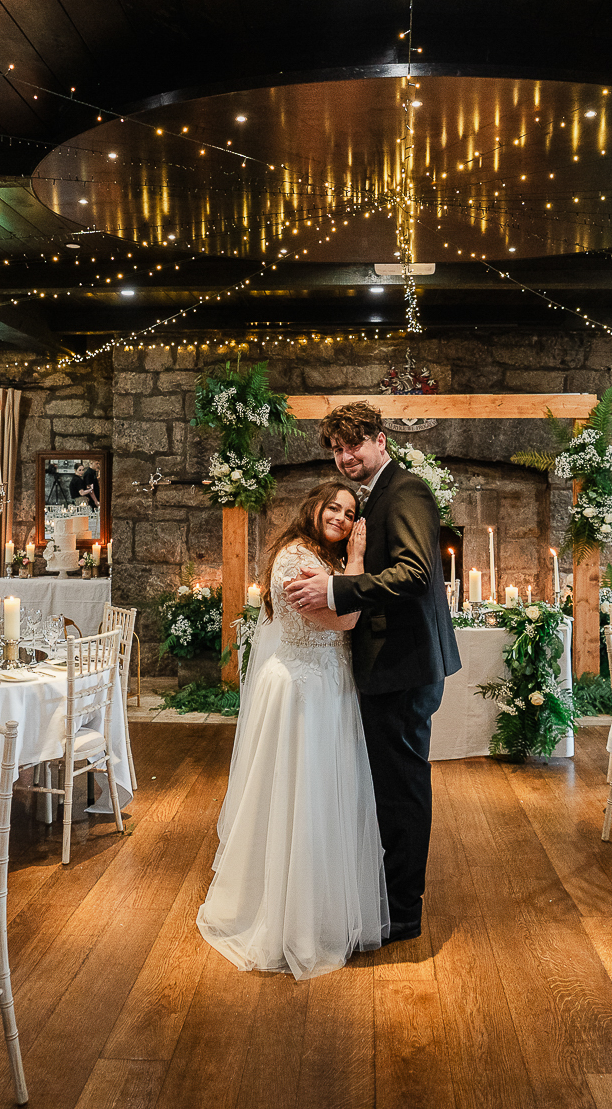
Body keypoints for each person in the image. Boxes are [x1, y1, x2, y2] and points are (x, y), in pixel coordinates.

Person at [284, 401, 460, 944]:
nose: (345, 457)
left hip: (402, 667)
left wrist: (336, 589)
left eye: (353, 445)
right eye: (337, 450)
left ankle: (404, 911)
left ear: (380, 440)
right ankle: (390, 893)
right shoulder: (375, 495)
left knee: (402, 788)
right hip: (391, 665)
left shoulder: (405, 491)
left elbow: (412, 573)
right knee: (389, 785)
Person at [196, 481, 388, 979]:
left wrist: (346, 573)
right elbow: (343, 620)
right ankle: (290, 917)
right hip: (303, 688)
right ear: (315, 507)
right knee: (295, 797)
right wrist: (359, 558)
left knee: (323, 799)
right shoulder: (295, 557)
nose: (342, 519)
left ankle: (322, 906)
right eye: (335, 508)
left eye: (350, 514)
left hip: (329, 685)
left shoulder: (319, 558)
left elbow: (339, 609)